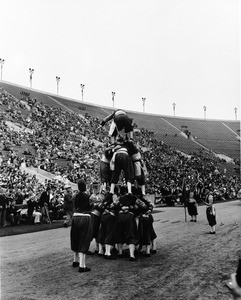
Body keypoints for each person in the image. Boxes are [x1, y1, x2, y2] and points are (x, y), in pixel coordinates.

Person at [70, 179, 93, 272]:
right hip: (85, 217)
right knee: (84, 240)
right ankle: (82, 266)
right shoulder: (88, 196)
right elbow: (92, 205)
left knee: (75, 238)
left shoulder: (74, 196)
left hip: (75, 217)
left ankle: (75, 260)